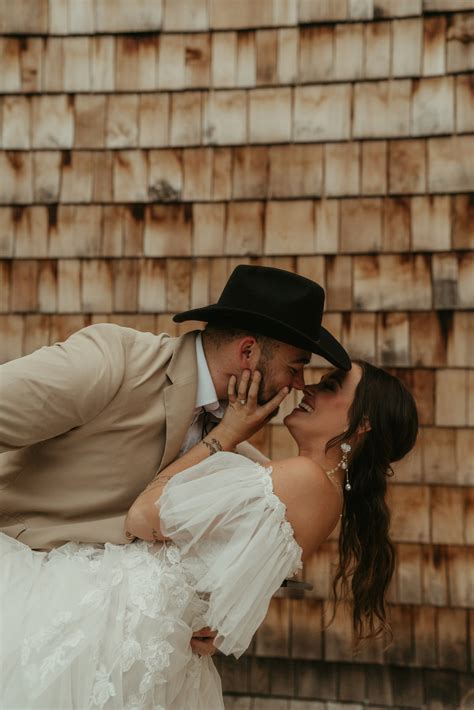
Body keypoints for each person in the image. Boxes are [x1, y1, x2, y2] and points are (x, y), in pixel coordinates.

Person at [0, 359, 418, 709]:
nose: (307, 387)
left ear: (361, 423)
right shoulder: (316, 491)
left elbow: (143, 515)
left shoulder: (302, 479)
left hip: (115, 621)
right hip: (162, 641)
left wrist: (228, 432)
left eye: (330, 386)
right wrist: (215, 625)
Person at [0, 264, 351, 656]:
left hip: (104, 640)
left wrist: (213, 612)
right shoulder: (112, 361)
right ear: (248, 352)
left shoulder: (239, 454)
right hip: (20, 595)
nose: (300, 384)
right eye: (296, 366)